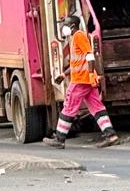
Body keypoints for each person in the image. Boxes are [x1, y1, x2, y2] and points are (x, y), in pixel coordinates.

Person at [44, 13, 119, 148]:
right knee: (97, 108)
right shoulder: (75, 38)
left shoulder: (79, 36)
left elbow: (90, 56)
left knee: (69, 107)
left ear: (72, 26)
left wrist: (90, 74)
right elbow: (77, 62)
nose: (63, 27)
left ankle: (59, 139)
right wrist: (64, 74)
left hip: (81, 80)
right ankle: (111, 135)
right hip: (86, 80)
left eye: (66, 24)